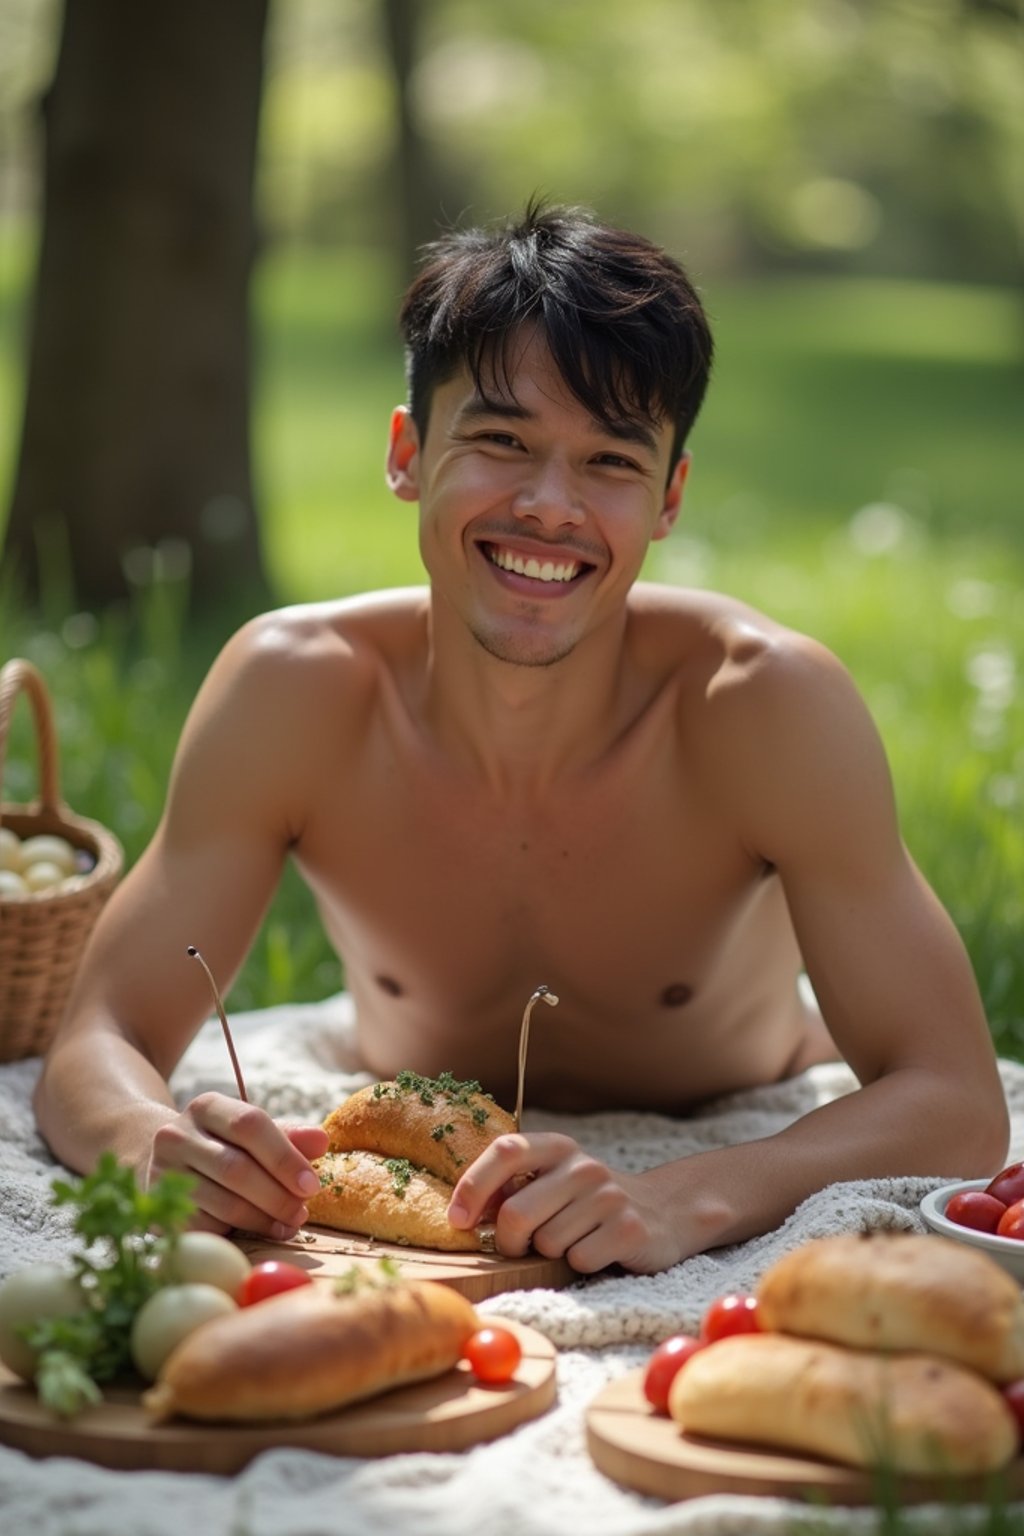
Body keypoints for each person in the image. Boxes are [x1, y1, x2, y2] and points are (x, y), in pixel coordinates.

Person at [34, 201, 1008, 1276]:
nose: (551, 506)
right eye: (502, 442)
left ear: (669, 496)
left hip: (729, 1110)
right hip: (407, 1173)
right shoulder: (295, 690)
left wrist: (689, 1195)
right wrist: (150, 1144)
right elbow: (97, 1039)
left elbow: (955, 1103)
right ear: (408, 452)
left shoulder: (761, 704)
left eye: (610, 463)